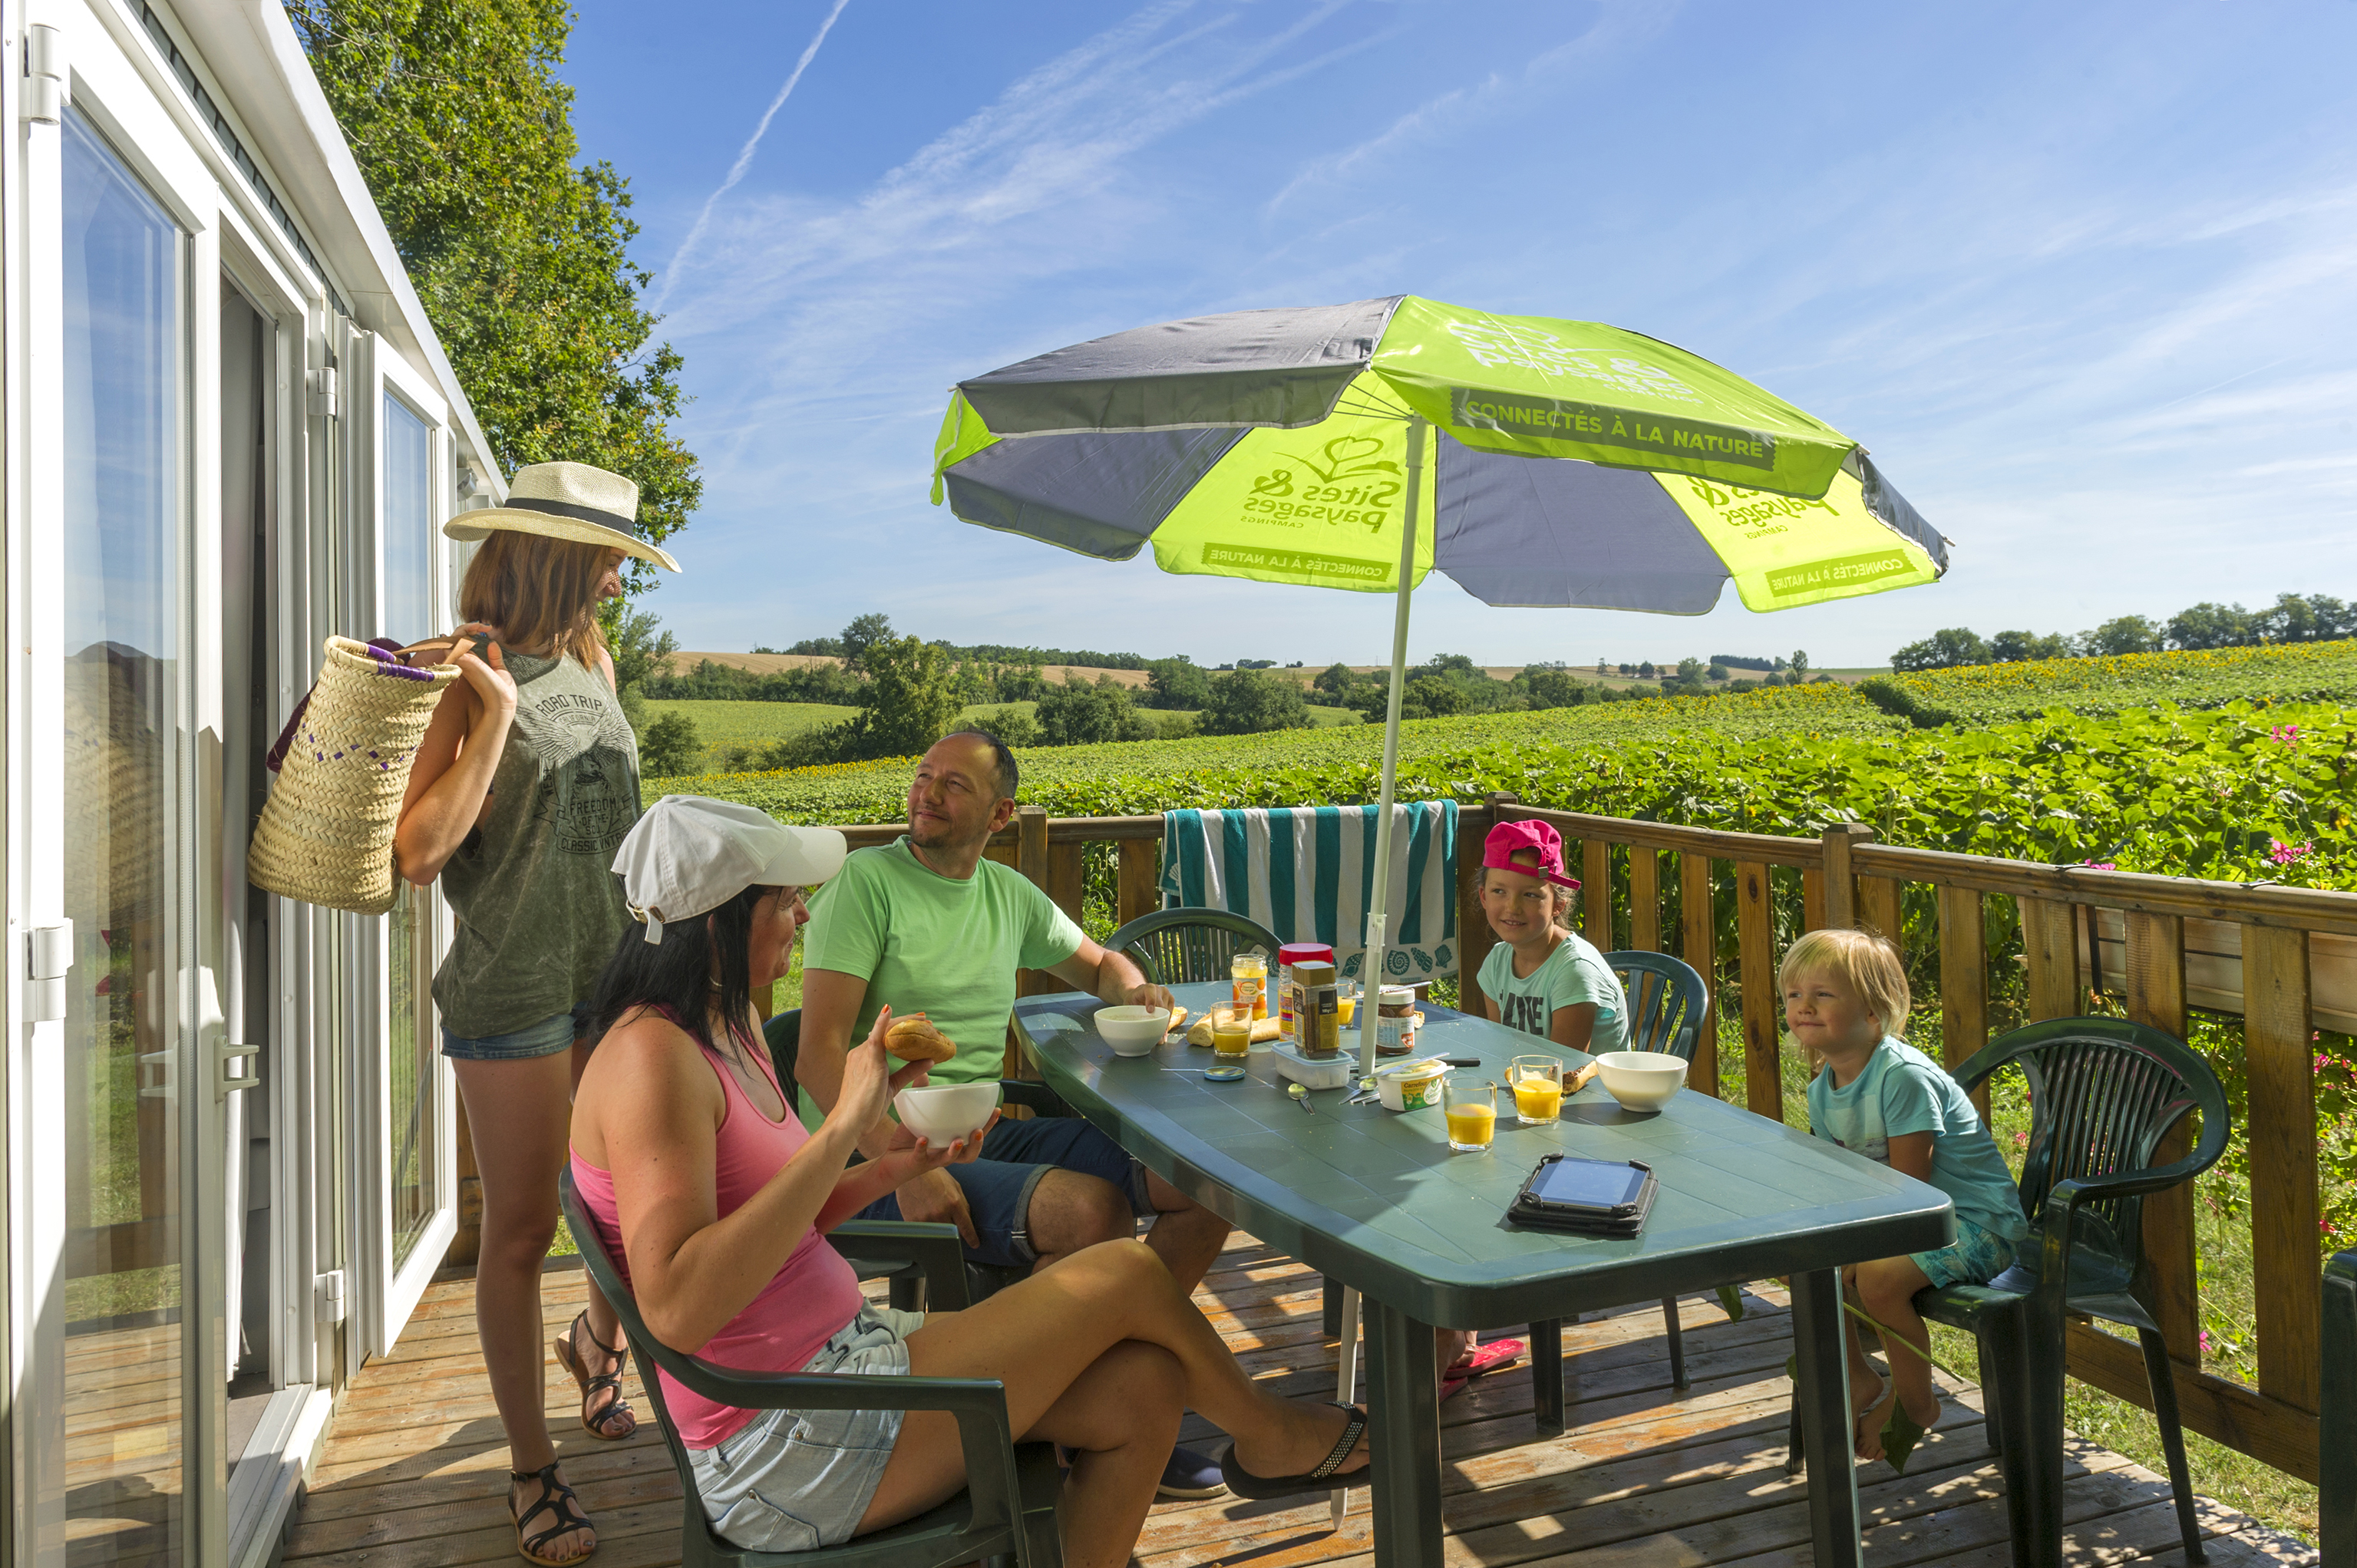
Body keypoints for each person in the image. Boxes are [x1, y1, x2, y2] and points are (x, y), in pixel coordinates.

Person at [569, 797, 1373, 1567]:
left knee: (1144, 1387)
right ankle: (1268, 1435)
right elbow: (677, 1308)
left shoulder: (724, 1021)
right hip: (781, 1441)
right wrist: (845, 1125)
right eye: (784, 901)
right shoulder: (651, 1060)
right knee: (1125, 1268)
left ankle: (1248, 1449)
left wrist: (894, 1166)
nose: (803, 915)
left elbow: (778, 1222)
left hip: (848, 1363)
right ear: (719, 921)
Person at [796, 729, 1238, 1497]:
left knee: (1205, 1182)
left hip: (986, 1133)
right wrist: (901, 1163)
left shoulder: (1004, 892)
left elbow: (1098, 961)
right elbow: (816, 1058)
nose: (928, 792)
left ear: (998, 814)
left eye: (954, 785)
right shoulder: (866, 883)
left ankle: (1090, 1395)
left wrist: (1133, 989)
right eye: (924, 776)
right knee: (1090, 1212)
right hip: (868, 1162)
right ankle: (1093, 1415)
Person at [394, 460, 682, 1564]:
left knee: (626, 1205)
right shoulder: (465, 674)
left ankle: (595, 1345)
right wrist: (496, 714)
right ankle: (531, 1467)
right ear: (560, 558)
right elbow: (418, 852)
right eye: (608, 560)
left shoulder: (593, 655)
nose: (616, 580)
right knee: (520, 1231)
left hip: (613, 979)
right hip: (513, 991)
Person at [1780, 928, 2028, 1462]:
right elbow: (1844, 1181)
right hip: (1904, 1215)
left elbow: (1913, 1189)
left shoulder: (1902, 1078)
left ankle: (1915, 1401)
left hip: (1974, 1224)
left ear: (1873, 1011)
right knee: (1798, 1259)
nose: (1804, 1006)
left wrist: (1857, 1250)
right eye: (1794, 994)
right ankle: (1855, 1376)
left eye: (1823, 994)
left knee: (1877, 1278)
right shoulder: (1823, 1089)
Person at [1474, 818, 1629, 1053]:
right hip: (1527, 1074)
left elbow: (1565, 1066)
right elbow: (1501, 1049)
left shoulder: (1575, 971)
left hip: (1577, 1077)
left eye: (1530, 895)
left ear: (1558, 905)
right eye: (1499, 891)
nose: (1512, 907)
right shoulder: (1497, 962)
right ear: (1484, 897)